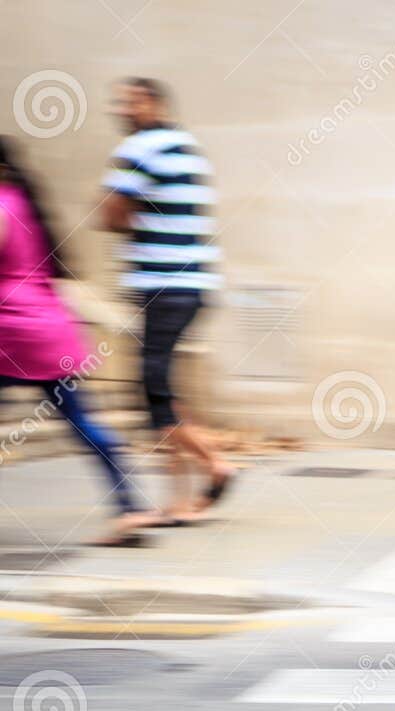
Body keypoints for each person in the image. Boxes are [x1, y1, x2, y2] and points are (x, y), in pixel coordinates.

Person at [0, 136, 159, 546]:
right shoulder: (27, 204)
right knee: (84, 423)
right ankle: (132, 508)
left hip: (14, 335)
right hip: (51, 331)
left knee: (81, 422)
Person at [100, 77, 236, 523]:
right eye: (122, 103)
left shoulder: (142, 147)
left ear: (155, 104)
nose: (124, 110)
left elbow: (109, 214)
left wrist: (129, 216)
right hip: (192, 285)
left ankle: (215, 465)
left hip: (164, 287)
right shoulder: (186, 144)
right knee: (161, 392)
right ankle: (179, 497)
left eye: (132, 102)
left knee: (154, 390)